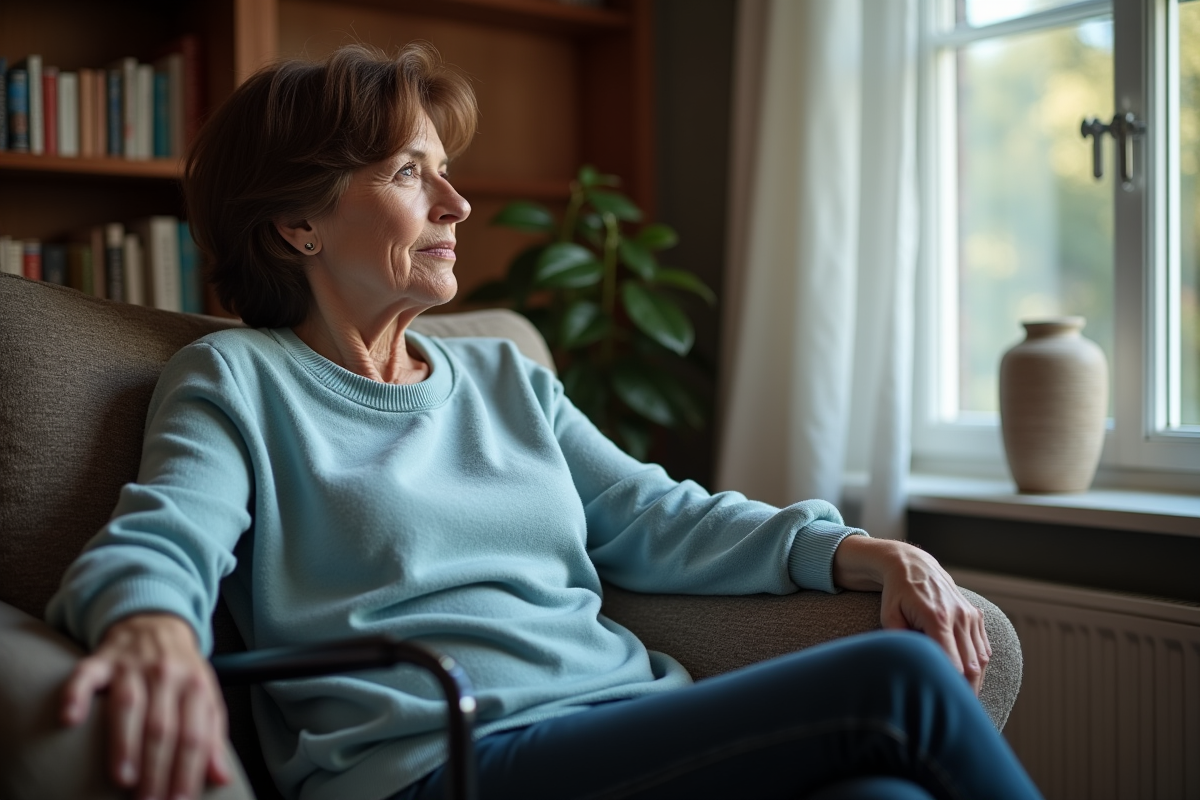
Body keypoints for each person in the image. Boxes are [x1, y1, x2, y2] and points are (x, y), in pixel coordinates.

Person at [46, 43, 1041, 800]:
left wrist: (866, 550)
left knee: (886, 791)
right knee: (899, 676)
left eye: (444, 170)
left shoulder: (503, 378)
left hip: (620, 721)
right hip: (442, 758)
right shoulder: (237, 378)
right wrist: (150, 624)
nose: (457, 202)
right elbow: (165, 531)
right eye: (408, 173)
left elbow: (659, 517)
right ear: (297, 224)